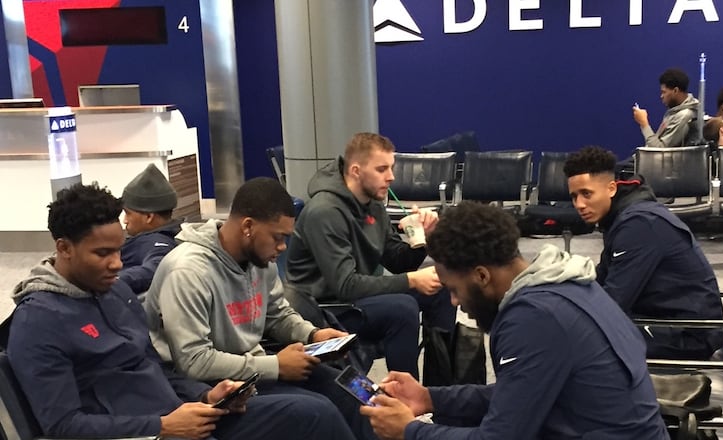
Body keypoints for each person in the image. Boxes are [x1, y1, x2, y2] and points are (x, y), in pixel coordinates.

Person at [6, 183, 354, 440]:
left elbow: (156, 367)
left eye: (119, 251)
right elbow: (62, 425)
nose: (116, 264)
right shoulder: (38, 322)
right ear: (64, 249)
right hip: (150, 431)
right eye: (101, 254)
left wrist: (206, 396)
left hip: (181, 413)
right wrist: (161, 426)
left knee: (316, 409)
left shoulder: (114, 293)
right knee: (311, 412)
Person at [360, 202, 669, 440]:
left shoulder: (530, 319)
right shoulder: (568, 284)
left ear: (481, 275)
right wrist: (430, 398)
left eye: (454, 289)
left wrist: (410, 432)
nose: (453, 301)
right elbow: (520, 391)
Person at [144, 177, 375, 440]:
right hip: (213, 389)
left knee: (354, 388)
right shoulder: (187, 271)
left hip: (253, 368)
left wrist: (312, 335)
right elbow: (193, 362)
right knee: (317, 412)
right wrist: (275, 366)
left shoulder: (260, 260)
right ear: (248, 227)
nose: (283, 247)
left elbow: (276, 314)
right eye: (278, 237)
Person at [285, 132, 456, 378]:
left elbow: (396, 262)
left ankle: (438, 393)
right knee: (402, 307)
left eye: (391, 168)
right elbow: (346, 285)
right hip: (326, 307)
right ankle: (403, 401)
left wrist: (422, 238)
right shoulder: (325, 212)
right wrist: (411, 280)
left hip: (358, 298)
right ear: (356, 170)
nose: (391, 177)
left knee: (442, 288)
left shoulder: (373, 203)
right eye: (382, 169)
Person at [564, 146, 723, 360]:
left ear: (611, 188)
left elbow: (613, 301)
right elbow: (600, 280)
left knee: (575, 345)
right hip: (661, 320)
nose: (579, 204)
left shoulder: (639, 225)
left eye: (586, 194)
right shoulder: (622, 218)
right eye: (574, 197)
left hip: (688, 334)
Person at [119, 163, 182, 296]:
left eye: (128, 213)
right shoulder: (147, 237)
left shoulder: (159, 242)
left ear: (148, 217)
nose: (125, 220)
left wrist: (111, 282)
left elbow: (157, 267)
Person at [633, 68, 701, 149]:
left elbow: (660, 150)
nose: (661, 96)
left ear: (675, 90)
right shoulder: (675, 110)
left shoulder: (684, 116)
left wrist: (644, 124)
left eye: (664, 92)